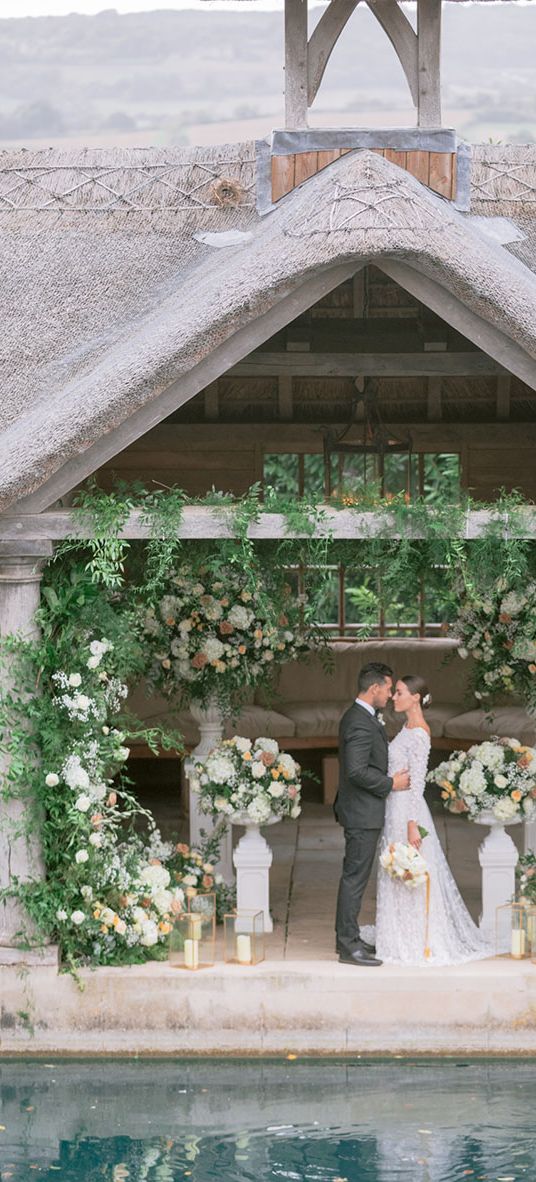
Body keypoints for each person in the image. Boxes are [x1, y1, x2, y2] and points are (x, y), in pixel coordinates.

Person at [366, 674, 492, 966]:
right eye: (394, 692)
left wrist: (412, 824)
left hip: (407, 810)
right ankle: (395, 934)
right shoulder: (406, 728)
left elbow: (418, 783)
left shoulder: (420, 733)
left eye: (399, 693)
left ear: (415, 699)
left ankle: (414, 938)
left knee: (409, 870)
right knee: (395, 870)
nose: (393, 697)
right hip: (393, 806)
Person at [334, 662, 410, 967]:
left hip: (364, 811)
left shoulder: (365, 718)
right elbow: (355, 771)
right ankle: (347, 946)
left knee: (357, 877)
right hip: (361, 812)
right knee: (354, 878)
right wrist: (392, 783)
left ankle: (349, 937)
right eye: (389, 688)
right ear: (375, 687)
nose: (390, 694)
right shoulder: (358, 721)